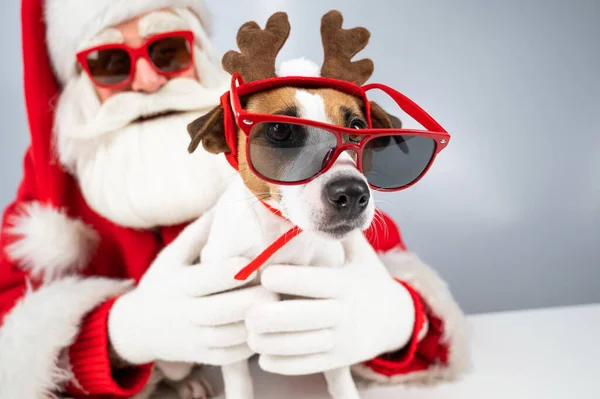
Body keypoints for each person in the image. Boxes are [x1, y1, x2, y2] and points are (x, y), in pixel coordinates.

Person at [0, 1, 469, 398]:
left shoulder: (299, 136)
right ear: (80, 82)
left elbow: (397, 274)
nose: (146, 79)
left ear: (199, 54)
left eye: (167, 51)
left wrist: (400, 319)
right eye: (110, 62)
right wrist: (119, 334)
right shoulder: (51, 193)